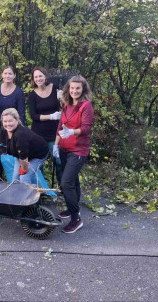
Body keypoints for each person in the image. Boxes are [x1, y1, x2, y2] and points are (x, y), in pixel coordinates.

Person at [53, 75, 94, 234]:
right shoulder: (66, 105)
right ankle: (72, 209)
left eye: (78, 88)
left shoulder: (86, 106)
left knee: (66, 183)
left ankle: (76, 219)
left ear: (83, 89)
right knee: (73, 182)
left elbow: (86, 129)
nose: (74, 91)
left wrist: (71, 132)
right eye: (72, 88)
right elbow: (60, 126)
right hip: (64, 149)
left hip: (78, 150)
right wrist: (56, 145)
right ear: (68, 89)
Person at [28, 67, 62, 181]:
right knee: (38, 163)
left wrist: (61, 99)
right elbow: (33, 116)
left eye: (40, 76)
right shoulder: (32, 95)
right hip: (38, 134)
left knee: (58, 160)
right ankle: (41, 188)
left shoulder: (55, 88)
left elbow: (64, 108)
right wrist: (51, 116)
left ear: (45, 76)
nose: (38, 79)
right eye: (36, 77)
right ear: (33, 79)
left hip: (54, 133)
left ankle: (62, 187)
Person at [0, 66, 25, 179]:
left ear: (14, 76)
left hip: (11, 129)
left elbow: (21, 113)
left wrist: (20, 129)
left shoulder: (18, 92)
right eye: (5, 73)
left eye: (10, 74)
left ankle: (12, 179)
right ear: (2, 75)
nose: (7, 76)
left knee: (11, 153)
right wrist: (2, 119)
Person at [0, 108, 49, 185]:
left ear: (17, 120)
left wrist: (24, 169)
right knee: (15, 179)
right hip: (21, 155)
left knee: (24, 177)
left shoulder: (20, 134)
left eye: (10, 121)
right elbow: (4, 147)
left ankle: (34, 194)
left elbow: (23, 157)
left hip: (38, 154)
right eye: (5, 121)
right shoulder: (3, 130)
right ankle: (19, 195)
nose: (7, 124)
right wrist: (2, 150)